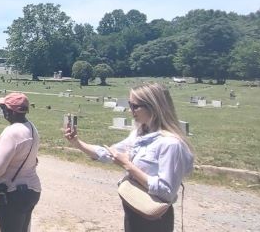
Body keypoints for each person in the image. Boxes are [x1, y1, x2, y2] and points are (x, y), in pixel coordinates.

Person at [63, 83, 194, 232]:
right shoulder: (139, 134)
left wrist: (128, 166)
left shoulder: (171, 144)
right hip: (134, 211)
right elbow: (108, 153)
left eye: (135, 106)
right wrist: (77, 143)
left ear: (153, 106)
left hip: (154, 219)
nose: (130, 110)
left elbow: (166, 192)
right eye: (129, 104)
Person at [0, 92, 41, 232]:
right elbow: (25, 157)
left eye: (4, 108)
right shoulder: (31, 128)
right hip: (31, 190)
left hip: (12, 193)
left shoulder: (11, 132)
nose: (3, 111)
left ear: (11, 111)